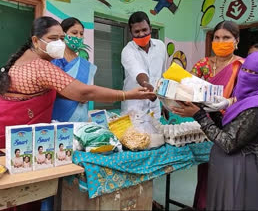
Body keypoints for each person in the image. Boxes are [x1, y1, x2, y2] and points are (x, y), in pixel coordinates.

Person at [0, 16, 155, 149]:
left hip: (13, 133)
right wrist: (127, 94)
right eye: (53, 39)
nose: (59, 43)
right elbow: (84, 91)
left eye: (61, 38)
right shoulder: (41, 66)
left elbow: (71, 93)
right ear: (35, 40)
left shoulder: (27, 59)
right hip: (14, 140)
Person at [172, 51, 258, 210]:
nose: (247, 75)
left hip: (247, 175)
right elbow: (232, 130)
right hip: (235, 172)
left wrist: (199, 115)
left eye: (254, 73)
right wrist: (210, 110)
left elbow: (228, 142)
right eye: (245, 70)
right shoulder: (248, 100)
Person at [190, 20, 244, 210]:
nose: (221, 42)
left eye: (226, 38)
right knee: (207, 174)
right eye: (217, 38)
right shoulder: (202, 65)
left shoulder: (243, 66)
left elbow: (253, 97)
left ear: (236, 40)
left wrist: (229, 102)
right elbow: (188, 90)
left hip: (233, 129)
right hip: (205, 127)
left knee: (229, 176)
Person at [121, 11, 167, 119]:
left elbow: (163, 75)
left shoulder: (160, 46)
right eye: (137, 31)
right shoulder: (127, 51)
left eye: (144, 30)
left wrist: (165, 103)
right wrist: (146, 84)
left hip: (154, 109)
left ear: (150, 29)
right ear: (130, 32)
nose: (141, 34)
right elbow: (138, 72)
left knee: (156, 135)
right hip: (134, 111)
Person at [51, 17, 97, 122]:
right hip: (60, 115)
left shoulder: (82, 61)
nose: (78, 37)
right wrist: (77, 95)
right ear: (63, 34)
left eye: (81, 34)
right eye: (74, 33)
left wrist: (86, 96)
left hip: (81, 116)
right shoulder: (57, 58)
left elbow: (86, 88)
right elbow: (52, 90)